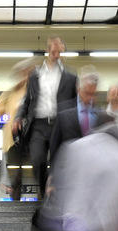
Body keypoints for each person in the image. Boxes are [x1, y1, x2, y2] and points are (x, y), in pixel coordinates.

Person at [48, 67, 105, 231]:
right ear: (79, 89)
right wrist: (51, 178)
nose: (90, 97)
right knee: (67, 221)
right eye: (87, 92)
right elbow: (54, 148)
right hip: (67, 179)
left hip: (92, 180)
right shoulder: (64, 115)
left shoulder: (100, 117)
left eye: (93, 93)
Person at [14, 36, 78, 199]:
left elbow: (74, 103)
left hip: (60, 124)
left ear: (63, 50)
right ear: (48, 50)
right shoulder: (35, 75)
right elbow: (27, 100)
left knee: (58, 163)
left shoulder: (70, 77)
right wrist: (18, 117)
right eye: (53, 49)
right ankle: (43, 191)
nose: (56, 53)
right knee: (37, 160)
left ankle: (55, 194)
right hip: (38, 125)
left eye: (59, 49)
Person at [0, 58, 38, 200]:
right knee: (15, 172)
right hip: (13, 139)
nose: (26, 76)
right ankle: (15, 202)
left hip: (34, 137)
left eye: (28, 72)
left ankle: (43, 204)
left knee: (39, 168)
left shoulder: (37, 91)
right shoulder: (11, 93)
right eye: (23, 73)